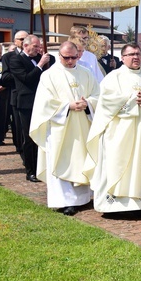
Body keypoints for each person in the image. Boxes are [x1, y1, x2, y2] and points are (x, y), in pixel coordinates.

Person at [30, 41, 99, 216]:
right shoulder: (49, 75)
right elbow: (43, 103)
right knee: (61, 160)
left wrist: (88, 103)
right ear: (59, 56)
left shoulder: (86, 73)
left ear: (79, 56)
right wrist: (67, 106)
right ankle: (64, 201)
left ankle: (82, 199)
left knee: (82, 159)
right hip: (60, 128)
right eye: (65, 57)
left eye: (73, 57)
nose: (69, 61)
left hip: (83, 126)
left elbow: (98, 96)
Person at [86, 43, 141, 213]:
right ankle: (116, 205)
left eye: (138, 53)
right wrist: (132, 99)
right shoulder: (114, 77)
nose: (136, 57)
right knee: (118, 164)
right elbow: (106, 102)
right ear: (122, 58)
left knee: (140, 166)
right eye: (131, 54)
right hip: (120, 133)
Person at [9, 35, 54, 182]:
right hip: (26, 103)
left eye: (39, 46)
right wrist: (40, 64)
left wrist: (45, 57)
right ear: (25, 46)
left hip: (43, 102)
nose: (38, 48)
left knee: (44, 134)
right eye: (35, 46)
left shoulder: (43, 57)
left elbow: (52, 62)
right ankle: (30, 170)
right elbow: (27, 78)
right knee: (29, 137)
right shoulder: (16, 60)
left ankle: (44, 167)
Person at [1, 31, 28, 157]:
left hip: (32, 96)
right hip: (16, 95)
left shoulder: (34, 56)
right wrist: (21, 75)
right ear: (15, 41)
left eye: (26, 38)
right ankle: (20, 147)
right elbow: (5, 77)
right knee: (18, 126)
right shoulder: (8, 57)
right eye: (21, 39)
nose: (23, 41)